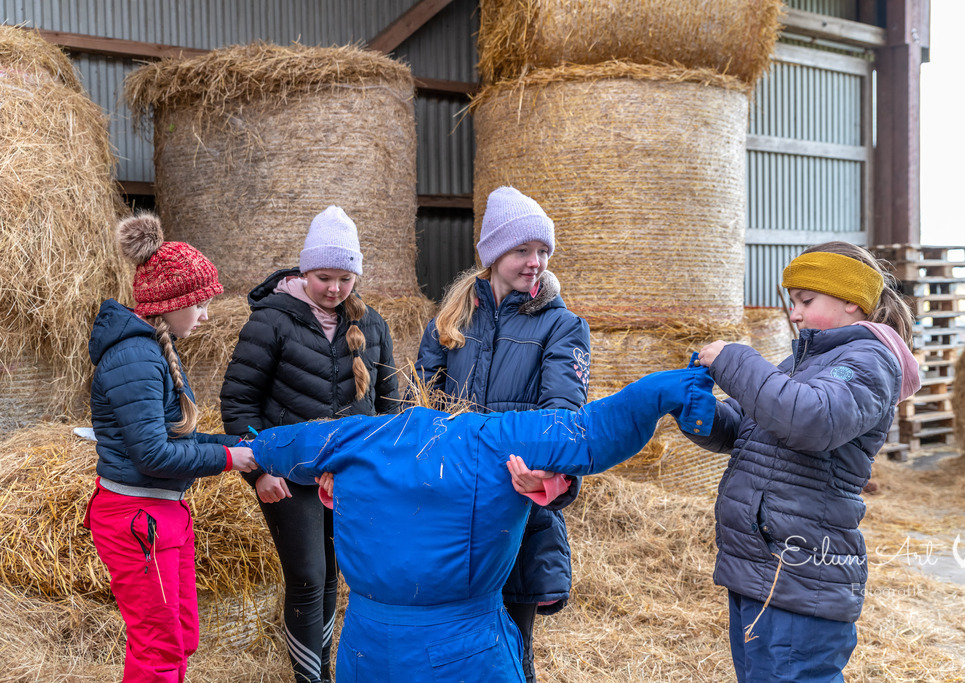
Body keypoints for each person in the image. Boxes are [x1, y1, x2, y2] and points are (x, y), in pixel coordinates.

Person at [246, 361, 717, 682]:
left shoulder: (356, 439)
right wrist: (671, 388)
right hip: (462, 652)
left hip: (365, 647)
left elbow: (269, 446)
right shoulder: (494, 439)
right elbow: (592, 433)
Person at [687, 241, 921, 682]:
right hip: (760, 567)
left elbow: (811, 420)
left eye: (805, 300)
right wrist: (696, 412)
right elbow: (744, 428)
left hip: (801, 578)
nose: (793, 313)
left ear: (852, 300)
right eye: (793, 301)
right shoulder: (804, 362)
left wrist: (735, 359)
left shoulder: (868, 361)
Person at [414, 186, 591, 682]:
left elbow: (564, 419)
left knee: (511, 649)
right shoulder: (448, 323)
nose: (535, 262)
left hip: (516, 508)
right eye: (521, 250)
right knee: (450, 647)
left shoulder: (562, 327)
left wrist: (551, 478)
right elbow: (420, 411)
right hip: (451, 510)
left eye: (542, 251)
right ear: (491, 255)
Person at [220, 205, 400, 683]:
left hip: (350, 477)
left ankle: (323, 671)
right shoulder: (271, 321)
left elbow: (390, 406)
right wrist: (260, 469)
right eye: (324, 277)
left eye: (345, 278)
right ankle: (309, 678)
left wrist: (386, 467)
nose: (335, 289)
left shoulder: (373, 325)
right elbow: (238, 402)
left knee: (335, 579)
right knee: (307, 576)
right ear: (305, 271)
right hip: (289, 474)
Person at [84, 212, 257, 683]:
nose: (205, 315)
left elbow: (173, 437)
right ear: (171, 302)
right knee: (159, 646)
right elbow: (153, 455)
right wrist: (227, 458)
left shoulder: (155, 349)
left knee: (181, 637)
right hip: (138, 518)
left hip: (163, 514)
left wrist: (234, 442)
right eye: (199, 303)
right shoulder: (135, 356)